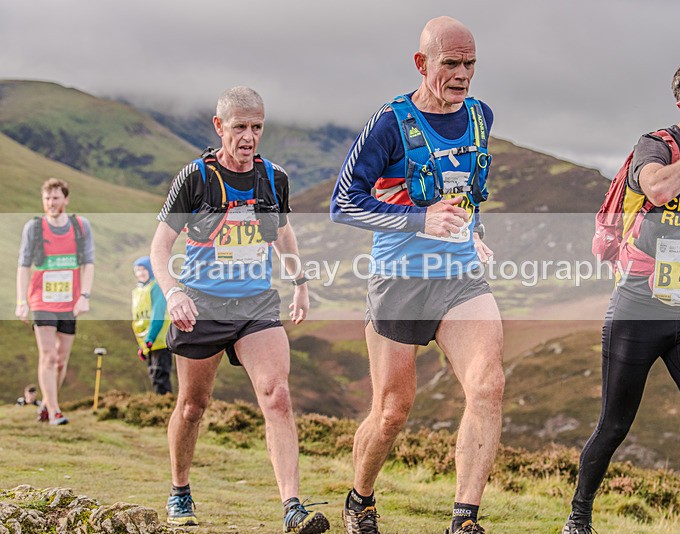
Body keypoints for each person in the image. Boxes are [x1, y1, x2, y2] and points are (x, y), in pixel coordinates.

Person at [330, 16, 504, 534]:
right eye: (451, 63)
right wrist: (417, 219)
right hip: (398, 278)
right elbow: (344, 203)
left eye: (470, 64)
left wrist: (472, 229)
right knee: (391, 412)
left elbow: (467, 186)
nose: (463, 74)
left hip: (459, 277)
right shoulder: (390, 122)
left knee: (488, 385)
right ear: (421, 63)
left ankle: (464, 519)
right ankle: (360, 498)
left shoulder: (480, 116)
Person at [563, 57, 680, 534]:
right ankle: (578, 516)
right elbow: (659, 190)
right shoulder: (656, 146)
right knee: (615, 425)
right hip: (639, 308)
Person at [150, 86, 329, 533]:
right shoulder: (195, 177)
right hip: (202, 305)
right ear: (219, 127)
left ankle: (292, 507)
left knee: (278, 396)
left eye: (257, 127)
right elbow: (159, 247)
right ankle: (179, 488)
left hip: (256, 306)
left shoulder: (274, 177)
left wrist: (300, 282)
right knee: (193, 406)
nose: (249, 137)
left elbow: (283, 233)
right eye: (240, 128)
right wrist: (174, 292)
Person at [16, 178, 95, 426]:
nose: (51, 203)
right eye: (47, 198)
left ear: (66, 199)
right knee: (48, 356)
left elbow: (89, 263)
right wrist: (22, 301)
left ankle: (48, 404)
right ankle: (54, 411)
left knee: (61, 360)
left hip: (69, 302)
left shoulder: (80, 226)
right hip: (41, 300)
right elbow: (23, 266)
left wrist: (84, 296)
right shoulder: (34, 228)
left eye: (56, 198)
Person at [131, 256, 173, 395]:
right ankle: (160, 406)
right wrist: (143, 345)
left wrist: (150, 339)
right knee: (154, 375)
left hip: (159, 340)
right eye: (137, 270)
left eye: (143, 269)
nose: (140, 273)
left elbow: (158, 315)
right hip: (148, 341)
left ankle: (164, 407)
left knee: (160, 376)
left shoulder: (156, 287)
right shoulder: (138, 291)